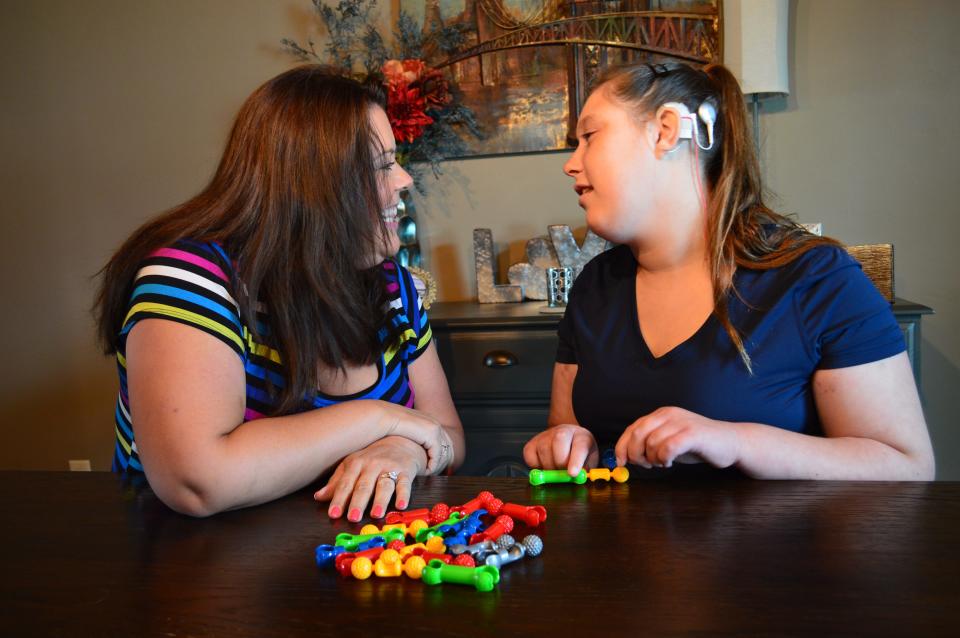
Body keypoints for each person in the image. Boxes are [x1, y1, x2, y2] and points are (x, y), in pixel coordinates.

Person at [523, 61, 934, 480]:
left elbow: (907, 467)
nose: (571, 164)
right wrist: (568, 443)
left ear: (665, 129)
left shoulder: (816, 277)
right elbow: (566, 429)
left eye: (589, 136)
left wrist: (736, 442)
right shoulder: (595, 285)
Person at [95, 65, 465, 518]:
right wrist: (383, 419)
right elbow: (196, 480)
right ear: (316, 186)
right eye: (383, 165)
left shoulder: (396, 288)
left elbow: (448, 433)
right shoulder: (189, 278)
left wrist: (404, 450)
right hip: (193, 571)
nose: (404, 181)